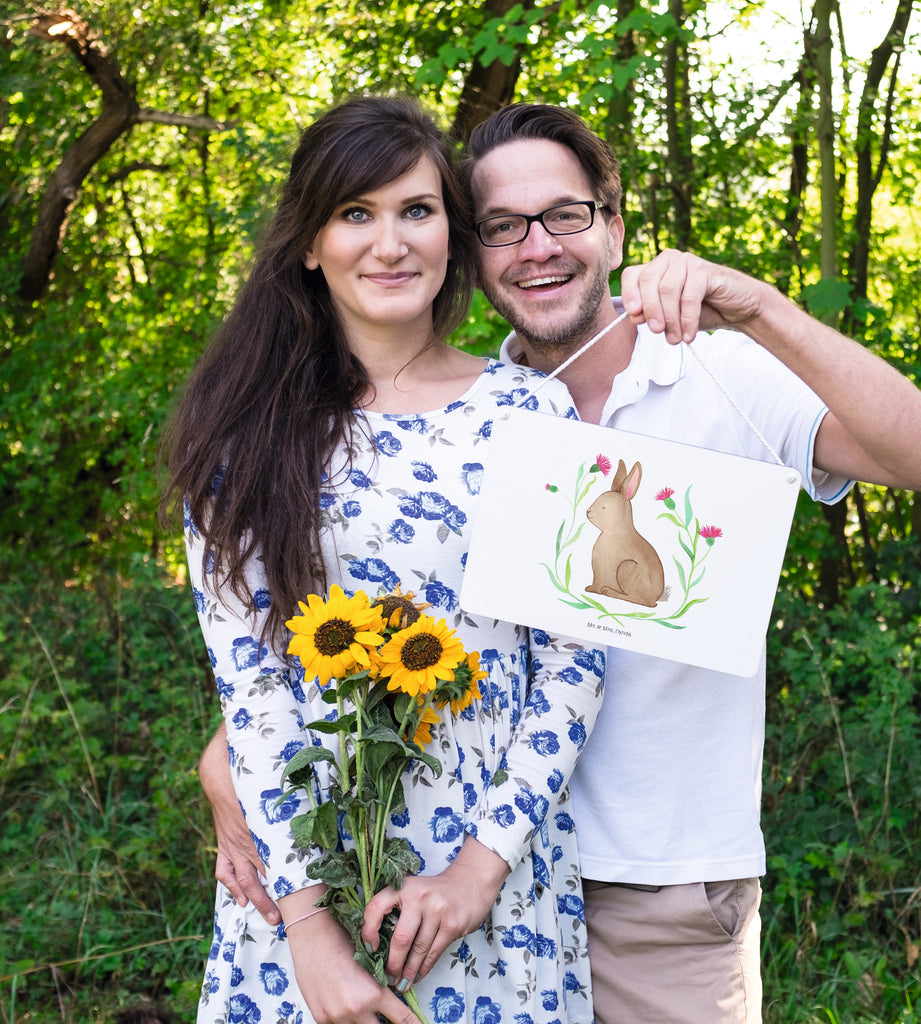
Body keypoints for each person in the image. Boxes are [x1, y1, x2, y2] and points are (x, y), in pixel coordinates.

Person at [202, 102, 921, 1024]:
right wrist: (235, 772)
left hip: (650, 887)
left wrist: (759, 306)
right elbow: (328, 634)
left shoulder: (709, 373)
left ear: (612, 225)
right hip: (419, 874)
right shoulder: (454, 416)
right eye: (502, 226)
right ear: (474, 249)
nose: (537, 247)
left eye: (565, 215)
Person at [163, 96, 607, 1024]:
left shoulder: (532, 415)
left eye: (417, 210)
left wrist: (478, 873)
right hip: (301, 886)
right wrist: (311, 937)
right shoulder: (244, 437)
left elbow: (574, 661)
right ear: (309, 244)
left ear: (452, 230)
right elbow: (253, 690)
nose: (390, 243)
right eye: (355, 214)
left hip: (492, 886)